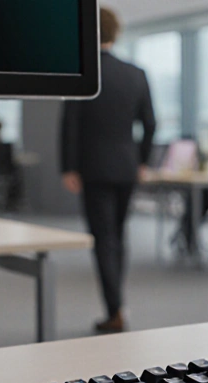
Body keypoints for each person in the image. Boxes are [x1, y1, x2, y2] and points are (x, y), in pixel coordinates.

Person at [60, 6, 156, 334]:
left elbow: (69, 124)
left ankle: (115, 310)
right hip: (127, 167)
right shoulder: (136, 73)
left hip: (94, 168)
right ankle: (118, 303)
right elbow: (151, 124)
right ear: (116, 34)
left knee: (104, 239)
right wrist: (142, 160)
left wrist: (68, 166)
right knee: (118, 234)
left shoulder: (82, 74)